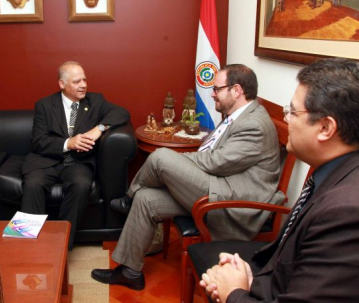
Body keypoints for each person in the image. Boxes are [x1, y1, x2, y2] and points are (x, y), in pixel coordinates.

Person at [92, 64, 281, 290]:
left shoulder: (254, 124)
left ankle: (128, 198)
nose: (212, 93)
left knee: (161, 158)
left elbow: (215, 162)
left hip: (232, 202)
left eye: (217, 89)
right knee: (147, 199)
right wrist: (182, 163)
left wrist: (180, 162)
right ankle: (130, 272)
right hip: (218, 186)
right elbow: (213, 157)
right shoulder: (238, 115)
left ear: (236, 90)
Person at [200, 58, 359, 302]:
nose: (286, 120)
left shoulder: (346, 211)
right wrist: (251, 278)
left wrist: (234, 292)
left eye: (293, 112)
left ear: (326, 128)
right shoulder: (334, 171)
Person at [21, 61, 130, 250]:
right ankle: (29, 246)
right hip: (47, 160)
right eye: (77, 81)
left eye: (85, 80)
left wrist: (99, 128)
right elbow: (38, 141)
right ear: (62, 84)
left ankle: (61, 245)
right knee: (33, 183)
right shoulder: (45, 105)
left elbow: (122, 112)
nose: (83, 85)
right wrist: (67, 143)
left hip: (78, 162)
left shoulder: (95, 101)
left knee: (81, 184)